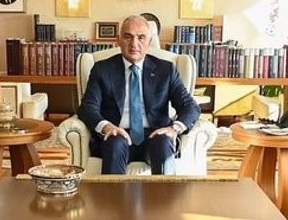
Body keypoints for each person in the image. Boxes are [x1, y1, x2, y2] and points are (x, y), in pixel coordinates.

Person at [78, 14, 199, 175]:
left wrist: (174, 129)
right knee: (114, 143)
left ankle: (166, 192)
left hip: (155, 134)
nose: (134, 44)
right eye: (128, 37)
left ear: (149, 41)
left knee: (163, 142)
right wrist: (107, 127)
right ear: (118, 40)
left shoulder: (166, 70)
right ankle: (111, 193)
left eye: (141, 37)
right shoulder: (102, 69)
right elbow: (87, 107)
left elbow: (190, 106)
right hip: (117, 133)